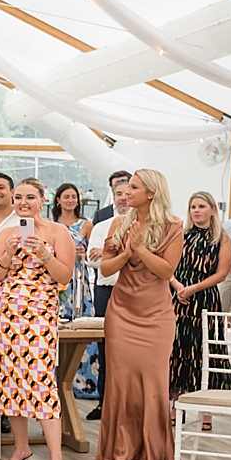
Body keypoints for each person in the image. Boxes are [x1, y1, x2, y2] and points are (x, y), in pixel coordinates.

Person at [0, 178, 75, 460]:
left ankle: (56, 458)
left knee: (40, 382)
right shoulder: (7, 233)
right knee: (11, 380)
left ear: (41, 199)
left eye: (30, 197)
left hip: (38, 314)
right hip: (4, 315)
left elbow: (65, 277)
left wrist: (45, 255)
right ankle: (21, 447)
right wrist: (8, 255)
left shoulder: (57, 232)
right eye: (18, 197)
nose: (23, 202)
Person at [95, 169, 184, 460]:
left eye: (133, 186)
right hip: (121, 313)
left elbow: (165, 271)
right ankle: (119, 452)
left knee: (153, 384)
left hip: (156, 316)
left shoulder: (173, 227)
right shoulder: (119, 224)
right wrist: (128, 251)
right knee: (120, 384)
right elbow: (106, 269)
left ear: (151, 193)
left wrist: (141, 249)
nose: (125, 190)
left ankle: (152, 453)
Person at [169, 192, 231, 412]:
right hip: (179, 297)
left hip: (204, 298)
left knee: (205, 350)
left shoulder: (222, 239)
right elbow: (167, 266)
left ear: (213, 210)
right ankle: (176, 407)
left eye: (201, 206)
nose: (196, 210)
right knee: (178, 349)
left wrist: (193, 289)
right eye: (193, 206)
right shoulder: (181, 235)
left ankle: (207, 412)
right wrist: (178, 287)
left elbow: (222, 273)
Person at [83, 179, 131, 420]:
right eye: (118, 193)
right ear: (112, 197)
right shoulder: (102, 226)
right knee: (106, 348)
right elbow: (93, 261)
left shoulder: (144, 226)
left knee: (131, 349)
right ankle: (104, 403)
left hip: (134, 292)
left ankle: (130, 405)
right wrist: (122, 253)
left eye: (127, 193)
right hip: (107, 291)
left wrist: (109, 252)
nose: (123, 197)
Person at [51, 182, 92, 319]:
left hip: (80, 275)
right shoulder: (52, 225)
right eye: (66, 197)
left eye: (74, 197)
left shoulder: (86, 225)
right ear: (58, 200)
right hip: (60, 274)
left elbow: (93, 255)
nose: (70, 200)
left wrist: (83, 254)